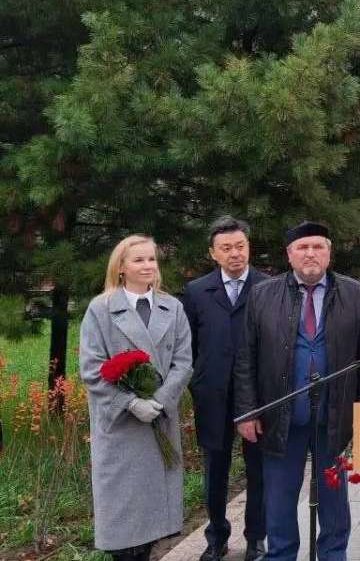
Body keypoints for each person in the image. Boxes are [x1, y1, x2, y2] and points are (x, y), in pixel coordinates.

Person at [232, 221, 360, 561]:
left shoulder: (353, 292)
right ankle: (281, 555)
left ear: (329, 253)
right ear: (289, 255)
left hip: (334, 415)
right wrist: (247, 412)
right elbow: (246, 359)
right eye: (303, 247)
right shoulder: (263, 294)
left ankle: (333, 555)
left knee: (333, 499)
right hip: (280, 414)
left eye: (318, 247)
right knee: (280, 498)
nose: (310, 253)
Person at [79, 235, 193, 561]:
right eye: (139, 260)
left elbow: (183, 362)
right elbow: (91, 368)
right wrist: (131, 403)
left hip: (159, 420)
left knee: (153, 523)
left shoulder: (173, 307)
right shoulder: (100, 309)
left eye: (152, 259)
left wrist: (158, 400)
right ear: (121, 268)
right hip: (122, 429)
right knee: (124, 521)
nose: (147, 265)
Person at [183, 217, 268, 561]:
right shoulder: (196, 291)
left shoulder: (267, 287)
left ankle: (256, 538)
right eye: (226, 248)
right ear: (213, 253)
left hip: (257, 396)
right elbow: (187, 345)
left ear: (249, 247)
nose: (235, 254)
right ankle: (216, 536)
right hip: (212, 395)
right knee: (214, 469)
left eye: (240, 246)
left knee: (258, 470)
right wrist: (198, 381)